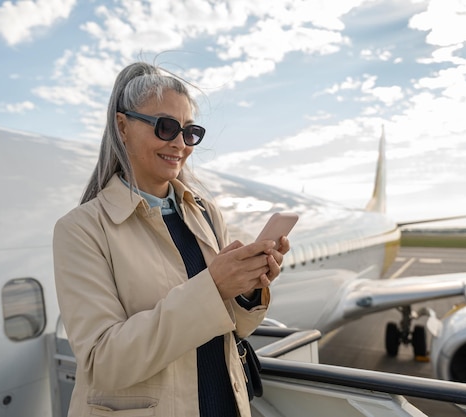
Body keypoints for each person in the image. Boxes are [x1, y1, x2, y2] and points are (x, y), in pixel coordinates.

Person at [53, 62, 290, 417]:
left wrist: (248, 288)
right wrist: (212, 286)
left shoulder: (205, 212)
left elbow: (235, 328)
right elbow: (105, 362)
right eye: (166, 128)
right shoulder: (83, 229)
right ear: (123, 127)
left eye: (190, 132)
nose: (180, 143)